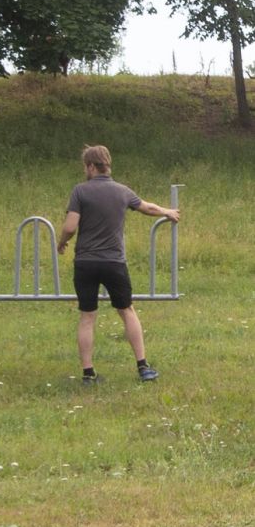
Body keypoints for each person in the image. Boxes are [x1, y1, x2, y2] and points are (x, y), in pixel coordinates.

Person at [57, 145, 180, 384]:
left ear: (91, 166)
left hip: (85, 262)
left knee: (87, 316)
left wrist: (61, 243)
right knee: (127, 311)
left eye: (85, 166)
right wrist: (168, 212)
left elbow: (70, 226)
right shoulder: (122, 191)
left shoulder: (80, 191)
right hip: (114, 261)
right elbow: (147, 207)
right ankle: (143, 367)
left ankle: (88, 373)